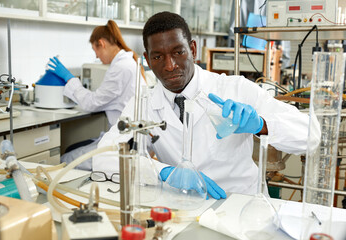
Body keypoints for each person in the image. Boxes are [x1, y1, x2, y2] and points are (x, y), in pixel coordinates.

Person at [93, 12, 316, 200]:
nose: (170, 66)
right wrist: (164, 173)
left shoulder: (235, 88)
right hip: (183, 205)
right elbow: (102, 158)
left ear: (193, 49)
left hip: (241, 205)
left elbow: (311, 136)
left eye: (178, 52)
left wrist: (261, 125)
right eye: (158, 57)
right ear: (148, 60)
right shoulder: (143, 104)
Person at [48, 20, 145, 169]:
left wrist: (69, 78)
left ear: (102, 43)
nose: (97, 57)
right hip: (127, 136)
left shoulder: (121, 67)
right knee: (71, 150)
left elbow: (91, 103)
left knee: (65, 159)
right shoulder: (126, 63)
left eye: (95, 50)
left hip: (125, 141)